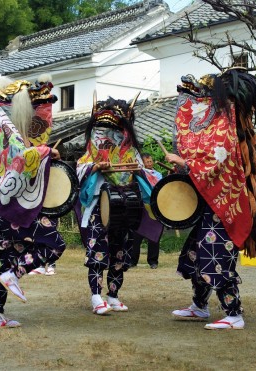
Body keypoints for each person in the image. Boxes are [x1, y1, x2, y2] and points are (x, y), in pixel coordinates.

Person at [0, 74, 67, 328]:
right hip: (9, 205)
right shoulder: (1, 117)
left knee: (7, 254)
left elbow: (36, 131)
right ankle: (15, 274)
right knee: (54, 245)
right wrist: (46, 151)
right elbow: (20, 155)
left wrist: (46, 96)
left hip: (0, 203)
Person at [164, 69, 256, 330]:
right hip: (212, 207)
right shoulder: (219, 123)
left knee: (215, 259)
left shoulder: (226, 128)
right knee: (195, 256)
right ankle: (200, 306)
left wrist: (185, 163)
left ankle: (234, 313)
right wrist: (184, 166)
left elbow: (215, 161)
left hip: (226, 208)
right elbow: (204, 158)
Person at [75, 95, 162, 315]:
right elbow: (79, 170)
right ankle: (96, 296)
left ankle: (113, 295)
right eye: (103, 126)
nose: (107, 131)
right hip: (99, 207)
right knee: (97, 252)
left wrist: (138, 171)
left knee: (120, 253)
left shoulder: (131, 151)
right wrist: (94, 167)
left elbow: (148, 175)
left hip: (124, 205)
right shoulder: (91, 151)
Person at [131, 153, 163, 269]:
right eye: (147, 162)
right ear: (143, 163)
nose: (149, 164)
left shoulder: (158, 175)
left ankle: (153, 261)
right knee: (136, 235)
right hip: (141, 205)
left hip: (154, 206)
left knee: (154, 235)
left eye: (150, 161)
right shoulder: (139, 173)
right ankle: (132, 261)